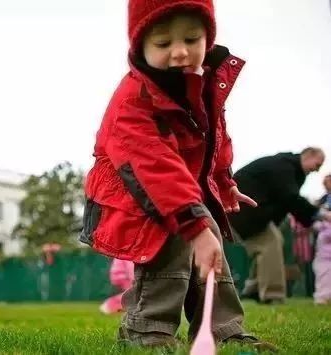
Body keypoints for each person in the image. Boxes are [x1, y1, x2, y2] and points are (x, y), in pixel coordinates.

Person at [79, 0, 275, 350]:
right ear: (140, 46)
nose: (181, 52)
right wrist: (194, 226)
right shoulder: (133, 100)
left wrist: (224, 182)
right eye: (164, 43)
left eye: (191, 38)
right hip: (134, 188)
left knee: (209, 241)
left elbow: (212, 137)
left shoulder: (202, 83)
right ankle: (146, 328)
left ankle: (224, 329)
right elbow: (154, 168)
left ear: (208, 38)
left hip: (178, 186)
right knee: (171, 239)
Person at [229, 148, 331, 304]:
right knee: (271, 243)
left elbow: (285, 203)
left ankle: (254, 288)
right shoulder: (285, 167)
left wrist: (311, 216)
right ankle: (272, 295)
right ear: (308, 155)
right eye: (317, 164)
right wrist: (320, 214)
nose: (317, 170)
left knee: (268, 244)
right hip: (243, 210)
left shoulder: (290, 170)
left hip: (250, 212)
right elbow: (290, 197)